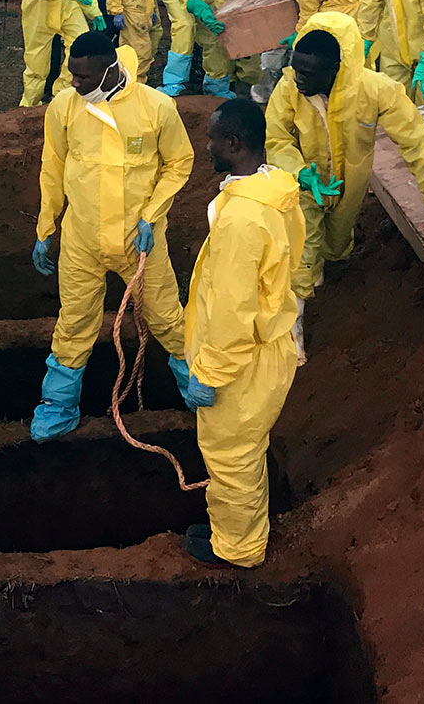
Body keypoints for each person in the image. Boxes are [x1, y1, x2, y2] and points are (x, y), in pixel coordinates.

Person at [29, 31, 197, 439]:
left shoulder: (155, 107)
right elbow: (53, 167)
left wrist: (151, 216)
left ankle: (198, 387)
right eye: (72, 75)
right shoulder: (65, 108)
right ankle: (58, 403)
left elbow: (179, 163)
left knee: (167, 317)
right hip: (81, 242)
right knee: (74, 322)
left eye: (83, 77)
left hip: (139, 244)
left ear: (108, 69)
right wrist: (45, 226)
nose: (74, 84)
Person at [267, 13, 424, 344]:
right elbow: (277, 139)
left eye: (307, 73)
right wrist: (300, 172)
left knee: (335, 245)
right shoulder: (289, 89)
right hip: (303, 185)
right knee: (301, 250)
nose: (298, 78)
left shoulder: (376, 91)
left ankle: (324, 277)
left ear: (336, 69)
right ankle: (294, 329)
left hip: (350, 187)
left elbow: (414, 140)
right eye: (295, 69)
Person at [182, 99, 302, 568]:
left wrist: (209, 372)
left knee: (231, 454)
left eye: (212, 138)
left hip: (242, 360)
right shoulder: (271, 189)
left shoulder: (241, 220)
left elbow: (233, 311)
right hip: (264, 347)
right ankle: (234, 527)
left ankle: (238, 548)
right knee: (244, 450)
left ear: (233, 144)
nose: (207, 145)